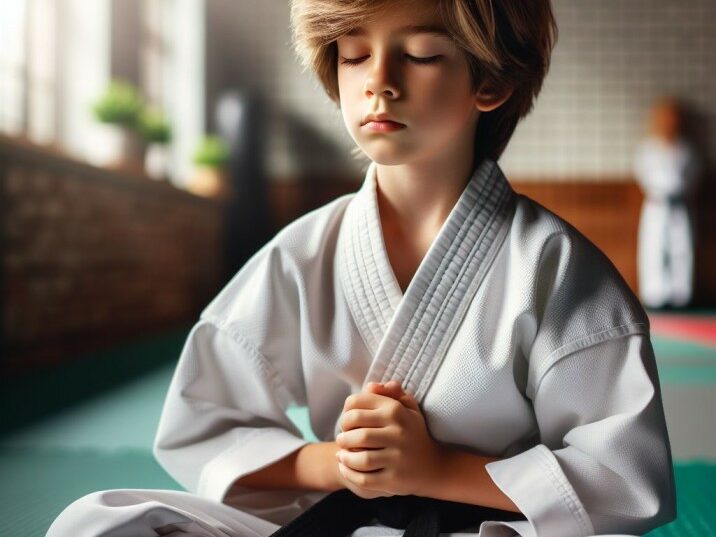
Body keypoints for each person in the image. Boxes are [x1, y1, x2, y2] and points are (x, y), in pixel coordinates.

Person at [46, 0, 676, 536]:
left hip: (485, 526)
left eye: (423, 54)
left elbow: (625, 479)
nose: (379, 80)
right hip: (341, 521)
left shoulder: (555, 268)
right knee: (96, 520)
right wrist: (337, 465)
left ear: (491, 81)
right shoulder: (304, 253)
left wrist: (436, 470)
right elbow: (203, 422)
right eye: (353, 54)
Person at [634, 96, 701, 309]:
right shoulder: (648, 149)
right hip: (657, 204)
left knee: (681, 250)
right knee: (654, 249)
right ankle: (655, 296)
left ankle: (681, 296)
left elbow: (693, 176)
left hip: (680, 205)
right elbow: (643, 175)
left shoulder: (687, 149)